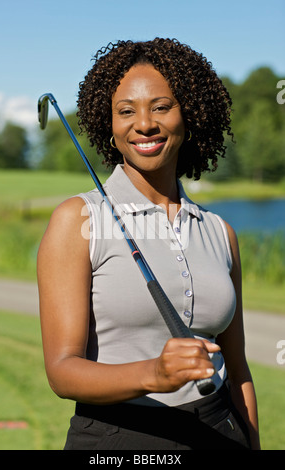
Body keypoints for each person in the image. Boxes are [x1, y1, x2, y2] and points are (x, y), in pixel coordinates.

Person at [37, 38, 260, 450]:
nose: (144, 124)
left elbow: (238, 368)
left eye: (161, 106)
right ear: (110, 125)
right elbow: (62, 371)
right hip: (118, 438)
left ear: (189, 115)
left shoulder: (219, 230)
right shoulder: (77, 220)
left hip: (220, 429)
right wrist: (153, 374)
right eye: (126, 111)